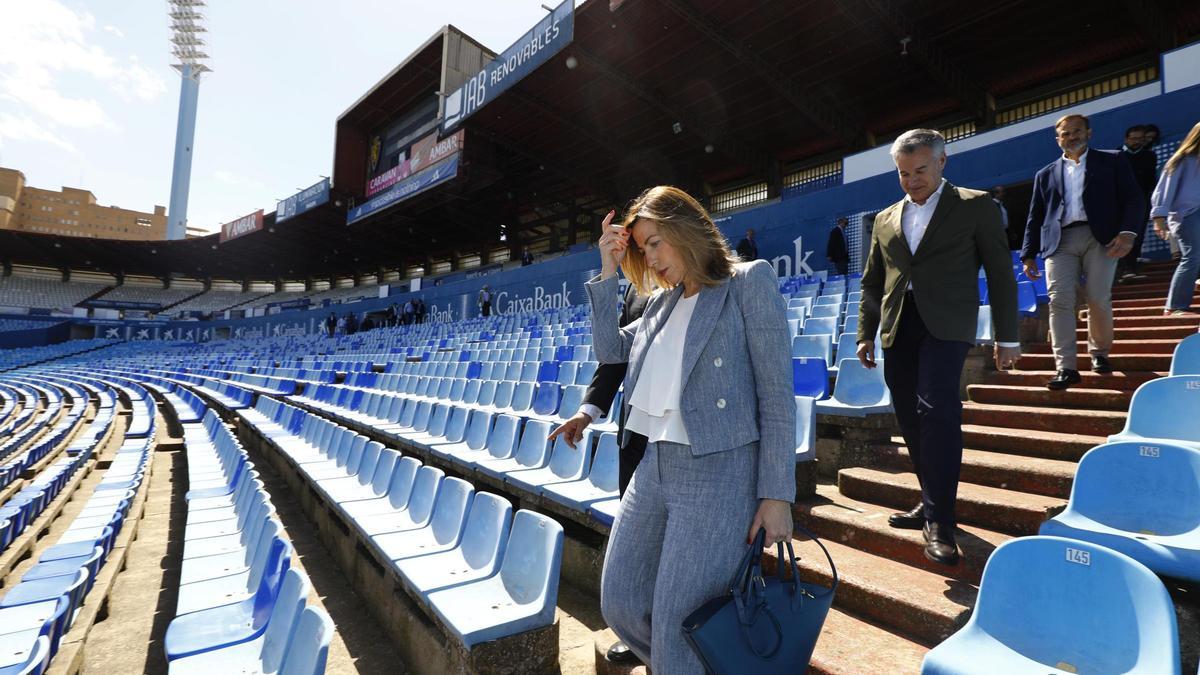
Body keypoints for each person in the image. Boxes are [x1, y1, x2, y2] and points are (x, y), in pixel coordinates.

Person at [588, 186, 794, 673]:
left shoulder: (748, 282)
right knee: (620, 603)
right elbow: (609, 352)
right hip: (653, 468)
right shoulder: (659, 304)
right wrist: (607, 272)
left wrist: (777, 494)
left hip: (719, 473)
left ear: (687, 228)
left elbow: (777, 396)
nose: (651, 257)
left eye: (656, 241)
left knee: (680, 623)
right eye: (642, 248)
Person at [857, 129, 1020, 566]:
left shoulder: (975, 205)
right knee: (910, 417)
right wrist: (863, 333)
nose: (911, 180)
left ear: (942, 163)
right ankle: (930, 502)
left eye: (920, 170)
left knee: (938, 411)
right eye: (903, 173)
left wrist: (1007, 337)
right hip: (898, 327)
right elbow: (873, 283)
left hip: (947, 325)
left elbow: (1001, 274)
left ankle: (941, 523)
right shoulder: (885, 218)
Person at [548, 279, 650, 666]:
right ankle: (639, 635)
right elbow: (615, 359)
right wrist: (587, 410)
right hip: (636, 435)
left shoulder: (696, 277)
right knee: (634, 540)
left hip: (686, 439)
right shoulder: (634, 289)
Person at [1022, 113, 1143, 390]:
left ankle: (1099, 353)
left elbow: (1133, 198)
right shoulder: (1045, 174)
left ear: (1089, 133)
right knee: (1059, 301)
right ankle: (1065, 367)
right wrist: (1028, 254)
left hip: (1100, 237)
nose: (1071, 137)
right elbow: (1035, 216)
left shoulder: (1112, 160)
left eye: (1077, 131)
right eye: (1065, 134)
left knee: (1097, 298)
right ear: (1057, 139)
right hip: (1059, 241)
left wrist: (1127, 233)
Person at [1151, 120, 1200, 315]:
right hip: (1187, 214)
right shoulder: (1182, 159)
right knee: (1193, 257)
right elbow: (1165, 189)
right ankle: (1175, 306)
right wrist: (1159, 216)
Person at [1119, 124, 1157, 280]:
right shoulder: (1116, 155)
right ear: (1126, 139)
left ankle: (1130, 268)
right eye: (1134, 139)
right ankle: (1123, 268)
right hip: (1120, 203)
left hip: (1141, 201)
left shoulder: (1149, 156)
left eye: (1140, 139)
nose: (1137, 142)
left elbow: (1150, 180)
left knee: (1137, 235)